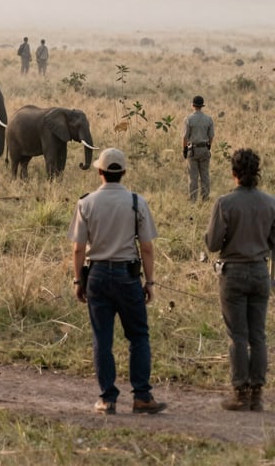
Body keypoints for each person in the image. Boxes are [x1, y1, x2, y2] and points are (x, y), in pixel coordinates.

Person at [68, 147, 167, 415]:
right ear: (123, 173)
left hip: (97, 275)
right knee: (138, 335)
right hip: (127, 276)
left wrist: (79, 281)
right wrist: (150, 282)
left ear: (100, 172)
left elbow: (78, 248)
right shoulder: (137, 201)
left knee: (103, 338)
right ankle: (142, 396)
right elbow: (146, 247)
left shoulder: (86, 203)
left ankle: (107, 398)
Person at [204, 148, 275, 412]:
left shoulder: (225, 203)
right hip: (259, 271)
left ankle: (239, 392)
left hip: (232, 272)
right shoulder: (270, 202)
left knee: (238, 335)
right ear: (257, 172)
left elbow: (212, 244)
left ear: (234, 173)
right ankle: (257, 394)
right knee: (258, 335)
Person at [182, 94, 215, 202]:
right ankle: (205, 198)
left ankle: (193, 200)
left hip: (193, 150)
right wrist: (208, 147)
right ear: (202, 106)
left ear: (193, 105)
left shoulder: (188, 119)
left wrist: (185, 149)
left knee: (193, 177)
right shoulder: (209, 119)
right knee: (205, 175)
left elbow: (185, 137)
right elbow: (211, 136)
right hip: (204, 149)